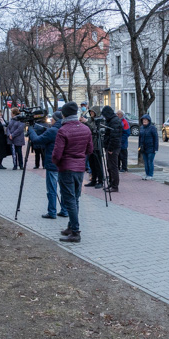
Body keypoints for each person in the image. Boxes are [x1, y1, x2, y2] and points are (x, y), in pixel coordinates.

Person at [53, 102, 94, 243]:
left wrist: (57, 163)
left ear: (64, 114)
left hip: (67, 168)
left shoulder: (63, 130)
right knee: (75, 198)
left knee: (69, 199)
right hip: (79, 168)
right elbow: (90, 150)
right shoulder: (85, 129)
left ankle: (75, 231)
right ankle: (71, 227)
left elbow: (57, 154)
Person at [29, 111, 65, 218]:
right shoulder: (64, 129)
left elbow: (37, 140)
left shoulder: (53, 130)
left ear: (55, 119)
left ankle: (52, 212)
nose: (51, 120)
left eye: (52, 119)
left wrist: (31, 130)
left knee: (52, 190)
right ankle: (65, 210)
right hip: (64, 164)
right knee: (63, 189)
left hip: (52, 163)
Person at [101, 105, 123, 192]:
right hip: (110, 146)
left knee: (113, 167)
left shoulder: (114, 121)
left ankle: (114, 186)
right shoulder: (111, 120)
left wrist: (110, 149)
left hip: (113, 148)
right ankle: (111, 183)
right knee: (109, 167)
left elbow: (114, 137)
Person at [83, 106, 105, 189]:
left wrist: (86, 122)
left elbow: (95, 130)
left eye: (92, 112)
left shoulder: (99, 120)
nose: (91, 113)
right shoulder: (91, 120)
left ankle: (100, 180)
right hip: (90, 145)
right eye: (90, 112)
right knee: (92, 164)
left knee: (98, 164)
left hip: (97, 145)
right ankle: (93, 180)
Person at [138, 113, 159, 180]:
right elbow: (140, 138)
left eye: (146, 120)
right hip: (144, 148)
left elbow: (156, 138)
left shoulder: (152, 128)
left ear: (149, 121)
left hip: (151, 148)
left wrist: (156, 148)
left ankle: (150, 174)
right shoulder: (141, 128)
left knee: (150, 161)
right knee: (146, 162)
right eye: (143, 120)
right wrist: (139, 147)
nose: (144, 121)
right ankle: (147, 174)